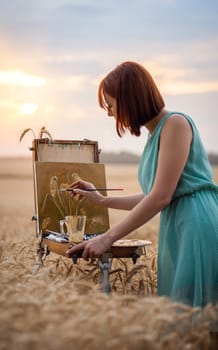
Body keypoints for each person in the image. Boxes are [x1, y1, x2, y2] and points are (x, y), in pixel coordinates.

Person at [66, 61, 218, 310]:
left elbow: (160, 197)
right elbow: (152, 195)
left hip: (196, 224)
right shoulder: (155, 133)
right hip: (178, 225)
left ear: (130, 100)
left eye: (111, 105)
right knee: (184, 318)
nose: (110, 113)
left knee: (198, 318)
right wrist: (102, 199)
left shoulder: (175, 124)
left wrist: (107, 238)